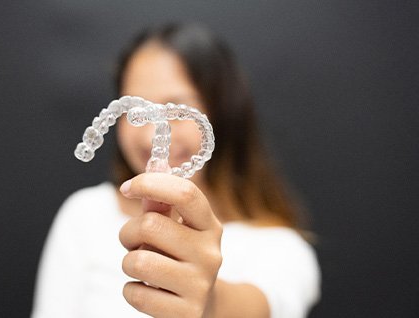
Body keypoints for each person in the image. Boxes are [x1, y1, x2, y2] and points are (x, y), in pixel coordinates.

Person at [32, 23, 320, 318]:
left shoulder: (281, 250)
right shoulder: (84, 215)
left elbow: (264, 306)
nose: (149, 138)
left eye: (178, 109)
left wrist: (208, 303)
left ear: (223, 113)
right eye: (135, 113)